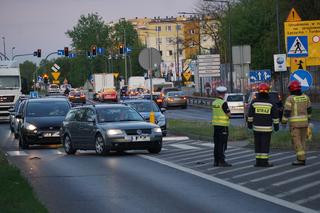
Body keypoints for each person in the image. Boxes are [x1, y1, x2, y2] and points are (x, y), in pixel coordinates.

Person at [247, 83, 279, 167]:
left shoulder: (254, 102)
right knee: (265, 144)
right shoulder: (271, 102)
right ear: (268, 91)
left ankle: (258, 162)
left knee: (257, 144)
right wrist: (276, 126)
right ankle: (264, 162)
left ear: (258, 91)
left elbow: (250, 115)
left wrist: (249, 124)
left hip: (256, 128)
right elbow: (275, 116)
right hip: (267, 129)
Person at [282, 80, 311, 166]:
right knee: (303, 141)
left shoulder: (290, 98)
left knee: (296, 141)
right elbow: (309, 110)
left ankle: (301, 160)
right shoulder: (306, 97)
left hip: (295, 125)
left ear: (291, 89)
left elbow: (287, 112)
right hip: (305, 123)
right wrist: (308, 120)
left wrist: (283, 122)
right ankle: (302, 157)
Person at [212, 86, 232, 167]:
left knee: (216, 144)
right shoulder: (223, 103)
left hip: (216, 126)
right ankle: (222, 161)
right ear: (224, 93)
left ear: (218, 93)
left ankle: (216, 161)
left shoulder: (214, 102)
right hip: (223, 126)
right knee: (222, 144)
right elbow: (229, 114)